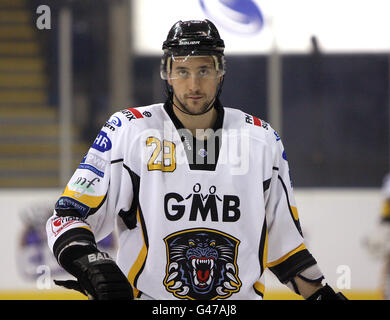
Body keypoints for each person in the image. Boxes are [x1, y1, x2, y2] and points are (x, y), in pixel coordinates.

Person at [47, 19, 346, 300]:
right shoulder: (129, 131)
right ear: (167, 73)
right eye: (182, 71)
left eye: (204, 70)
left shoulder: (261, 140)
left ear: (220, 73)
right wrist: (91, 263)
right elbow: (68, 216)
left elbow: (286, 247)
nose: (193, 85)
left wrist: (321, 295)